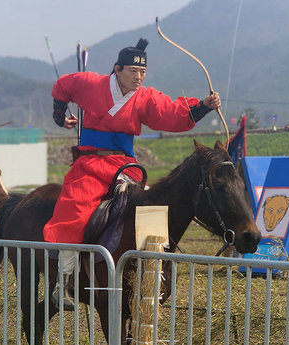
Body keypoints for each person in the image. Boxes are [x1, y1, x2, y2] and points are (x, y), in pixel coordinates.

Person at [45, 38, 221, 308]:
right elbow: (62, 86)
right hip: (89, 165)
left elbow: (172, 113)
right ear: (117, 69)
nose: (138, 77)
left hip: (125, 166)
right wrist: (60, 115)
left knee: (150, 207)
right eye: (133, 71)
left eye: (143, 73)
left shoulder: (145, 98)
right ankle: (63, 282)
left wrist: (203, 106)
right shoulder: (91, 84)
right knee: (74, 212)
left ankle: (152, 277)